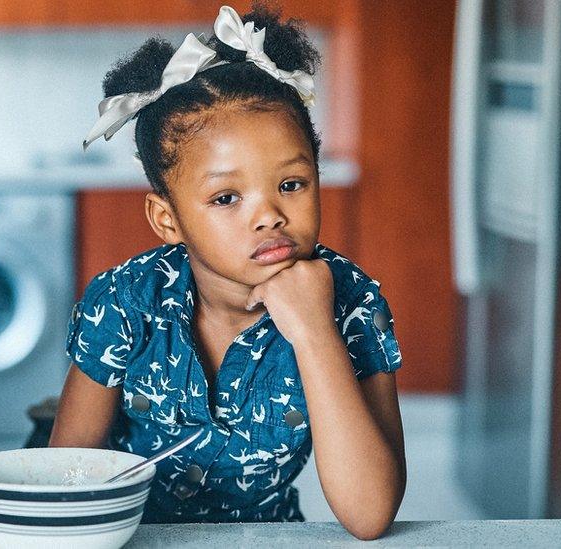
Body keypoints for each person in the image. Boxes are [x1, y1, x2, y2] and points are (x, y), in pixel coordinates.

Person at [49, 2, 405, 540]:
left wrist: (313, 332)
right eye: (226, 197)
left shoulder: (354, 304)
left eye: (291, 184)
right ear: (167, 220)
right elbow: (67, 481)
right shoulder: (124, 300)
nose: (269, 215)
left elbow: (370, 514)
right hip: (132, 539)